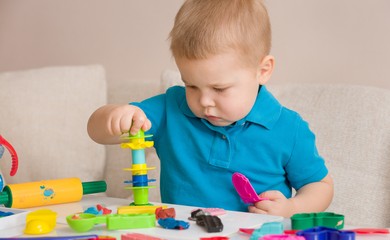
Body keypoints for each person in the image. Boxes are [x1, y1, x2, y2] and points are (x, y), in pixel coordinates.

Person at [87, 0, 334, 218]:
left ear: (263, 71)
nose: (204, 101)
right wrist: (115, 116)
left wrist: (291, 208)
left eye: (219, 88)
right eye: (191, 85)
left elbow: (319, 186)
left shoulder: (289, 129)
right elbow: (96, 131)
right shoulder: (171, 108)